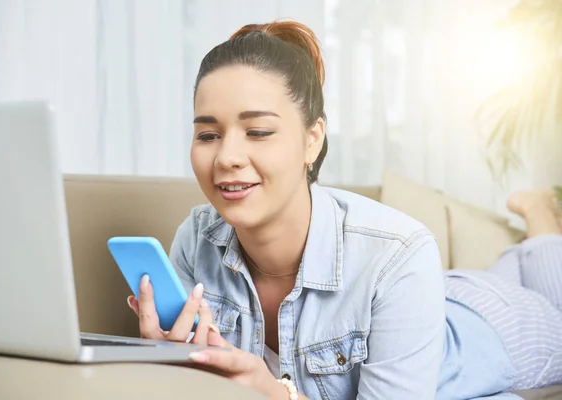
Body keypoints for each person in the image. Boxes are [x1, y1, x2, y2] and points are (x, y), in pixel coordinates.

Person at [125, 21, 562, 400]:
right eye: (207, 135)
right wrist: (170, 364)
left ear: (312, 139)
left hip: (497, 326)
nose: (226, 158)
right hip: (429, 293)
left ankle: (541, 221)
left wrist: (274, 393)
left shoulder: (400, 252)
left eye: (257, 131)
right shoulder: (195, 240)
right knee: (498, 269)